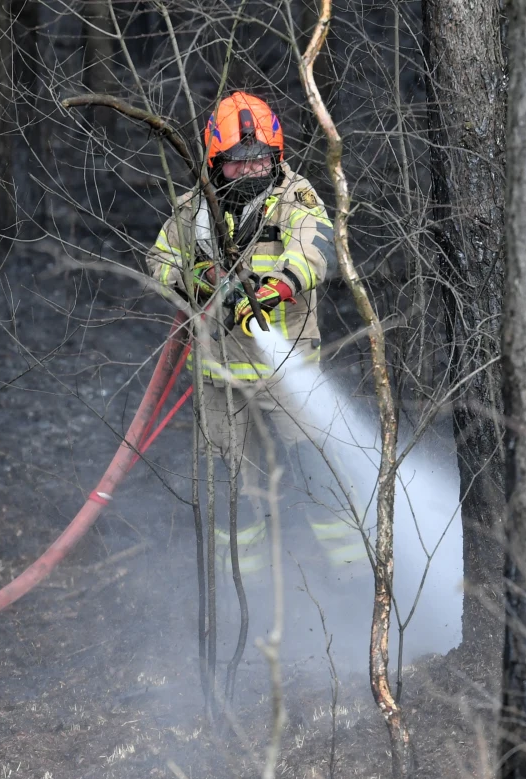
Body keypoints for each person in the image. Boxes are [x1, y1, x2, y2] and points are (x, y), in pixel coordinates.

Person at [145, 91, 367, 579]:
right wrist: (196, 279)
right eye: (238, 161)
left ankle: (354, 574)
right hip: (218, 373)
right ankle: (242, 585)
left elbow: (317, 249)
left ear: (276, 154)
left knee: (317, 467)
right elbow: (158, 260)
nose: (251, 169)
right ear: (215, 159)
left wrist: (273, 290)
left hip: (287, 369)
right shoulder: (194, 211)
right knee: (229, 483)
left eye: (261, 159)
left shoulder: (295, 198)